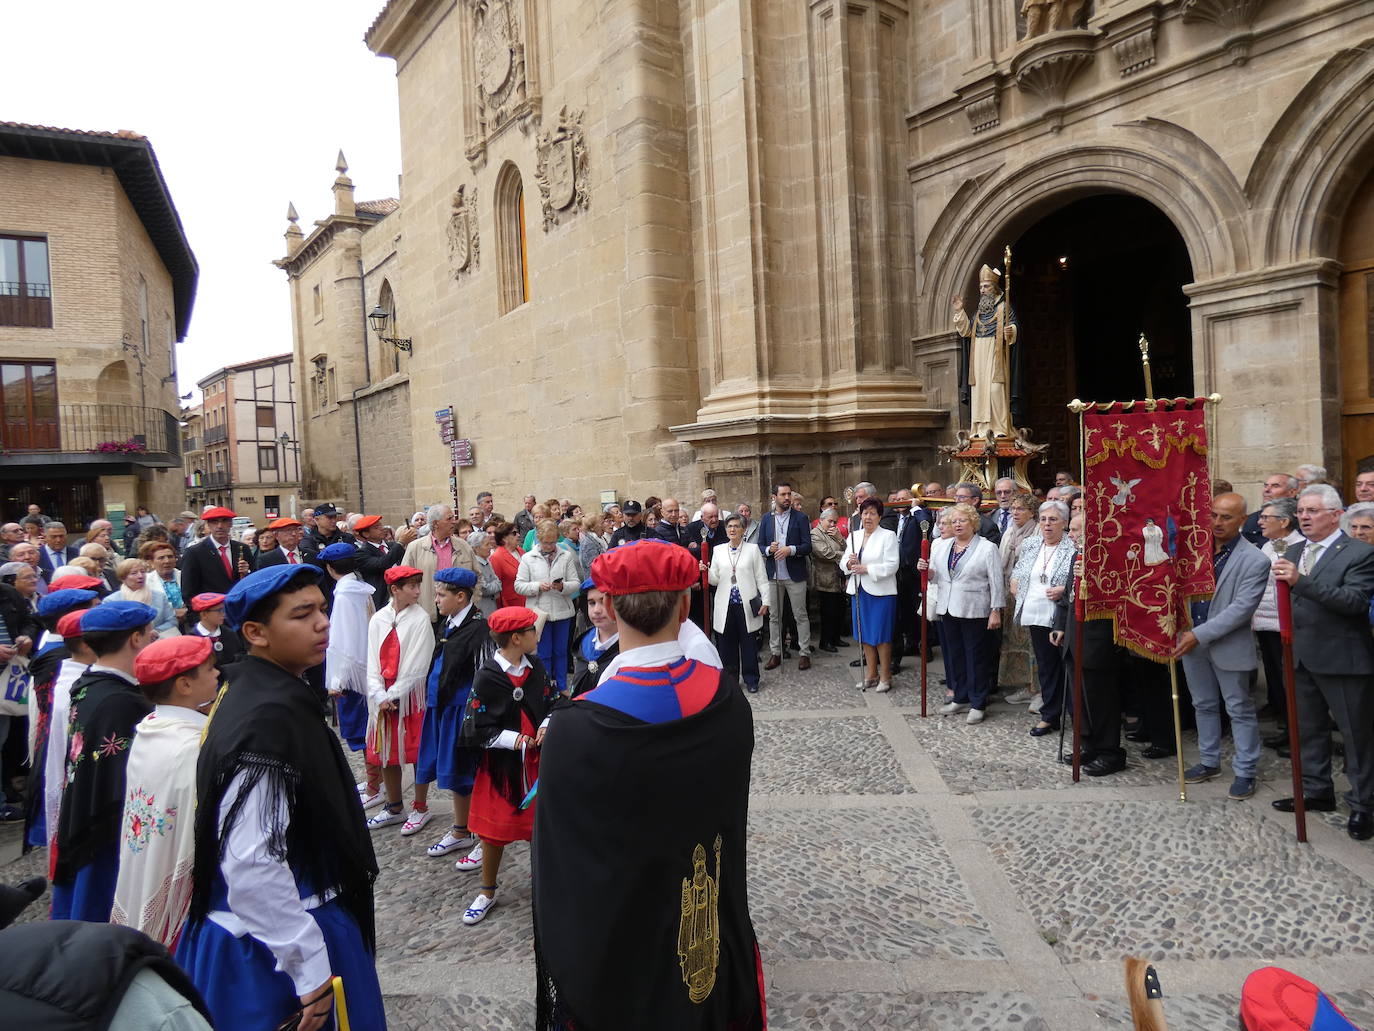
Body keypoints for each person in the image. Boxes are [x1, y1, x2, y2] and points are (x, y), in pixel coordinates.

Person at [532, 538, 764, 1031]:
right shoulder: (728, 700)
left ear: (611, 608)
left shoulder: (575, 730)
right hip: (712, 933)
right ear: (685, 606)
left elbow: (563, 863)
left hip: (621, 952)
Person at [178, 564, 384, 1031]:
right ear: (256, 633)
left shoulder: (263, 689)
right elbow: (250, 858)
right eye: (302, 614)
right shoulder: (267, 716)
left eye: (323, 610)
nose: (322, 623)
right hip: (270, 945)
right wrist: (308, 967)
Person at [1271, 484, 1374, 840]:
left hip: (1342, 658)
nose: (1304, 517)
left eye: (1312, 511)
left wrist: (1301, 581)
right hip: (1299, 655)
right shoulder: (1294, 548)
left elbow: (1353, 602)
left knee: (1356, 735)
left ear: (1335, 514)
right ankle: (1317, 791)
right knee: (1307, 730)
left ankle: (1364, 804)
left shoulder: (1358, 552)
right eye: (1301, 511)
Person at [51, 600, 158, 922]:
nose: (154, 639)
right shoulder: (119, 701)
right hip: (105, 823)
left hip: (86, 807)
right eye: (150, 633)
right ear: (136, 639)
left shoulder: (92, 684)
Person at [111, 635, 219, 948]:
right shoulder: (192, 748)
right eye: (210, 669)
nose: (217, 674)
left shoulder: (152, 726)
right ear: (184, 685)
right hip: (183, 902)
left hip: (149, 864)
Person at [1172, 493, 1271, 800]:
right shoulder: (1195, 553)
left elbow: (1241, 610)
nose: (1217, 522)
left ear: (1243, 520)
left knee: (1238, 708)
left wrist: (1197, 635)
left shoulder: (1255, 559)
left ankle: (1245, 771)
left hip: (1225, 643)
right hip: (1192, 642)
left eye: (1226, 517)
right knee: (1202, 704)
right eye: (1213, 515)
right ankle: (1209, 760)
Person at [459, 606, 553, 925]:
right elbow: (475, 726)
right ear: (516, 638)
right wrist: (513, 740)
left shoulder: (536, 666)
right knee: (494, 831)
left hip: (537, 765)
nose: (536, 636)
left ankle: (544, 884)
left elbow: (552, 701)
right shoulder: (488, 676)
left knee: (540, 828)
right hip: (503, 769)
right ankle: (487, 890)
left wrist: (546, 724)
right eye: (531, 632)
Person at [418, 567, 488, 870]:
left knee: (473, 772)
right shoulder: (449, 622)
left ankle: (486, 836)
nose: (436, 599)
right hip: (443, 706)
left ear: (461, 597)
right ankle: (462, 829)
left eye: (441, 594)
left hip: (463, 712)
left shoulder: (479, 628)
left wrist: (476, 716)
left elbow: (485, 676)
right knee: (455, 774)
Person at [364, 566, 437, 835]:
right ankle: (394, 806)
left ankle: (420, 806)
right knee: (385, 754)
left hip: (408, 699)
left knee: (416, 751)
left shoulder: (420, 619)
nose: (418, 591)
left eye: (419, 585)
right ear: (395, 589)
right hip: (382, 698)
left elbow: (419, 665)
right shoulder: (378, 619)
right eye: (412, 586)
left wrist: (394, 694)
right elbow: (371, 659)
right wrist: (378, 694)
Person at [922, 502, 1003, 722]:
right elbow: (938, 577)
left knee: (975, 656)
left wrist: (996, 610)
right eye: (953, 521)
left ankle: (978, 702)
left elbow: (997, 582)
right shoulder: (944, 546)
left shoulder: (987, 548)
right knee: (954, 655)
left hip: (975, 609)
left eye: (962, 520)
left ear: (973, 523)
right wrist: (927, 572)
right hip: (947, 607)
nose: (957, 525)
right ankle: (960, 696)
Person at [1010, 501, 1074, 736]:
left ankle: (1074, 715)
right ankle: (1050, 715)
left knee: (1066, 666)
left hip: (1060, 614)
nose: (1047, 524)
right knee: (1046, 666)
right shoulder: (1031, 544)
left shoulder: (1072, 546)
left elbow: (1077, 578)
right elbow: (1019, 570)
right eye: (1044, 519)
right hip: (1035, 611)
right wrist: (1014, 581)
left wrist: (1064, 590)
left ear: (1065, 523)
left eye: (1053, 519)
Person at [1252, 497, 1303, 741]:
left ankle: (1296, 730)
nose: (1260, 522)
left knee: (1289, 680)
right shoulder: (1268, 545)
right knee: (1274, 675)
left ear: (1284, 521)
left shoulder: (1299, 547)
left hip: (1285, 623)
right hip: (1264, 621)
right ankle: (1285, 724)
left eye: (1266, 518)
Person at [319, 543, 374, 768]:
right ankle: (375, 783)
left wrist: (337, 680)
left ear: (330, 568)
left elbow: (341, 641)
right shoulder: (361, 588)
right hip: (367, 664)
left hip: (352, 672)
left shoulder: (344, 595)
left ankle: (374, 785)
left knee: (361, 731)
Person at [953, 263, 1021, 440]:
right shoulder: (978, 313)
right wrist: (960, 312)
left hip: (996, 356)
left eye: (986, 286)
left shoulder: (1004, 308)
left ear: (995, 288)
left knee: (995, 390)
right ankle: (980, 427)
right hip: (979, 358)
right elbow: (967, 332)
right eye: (981, 287)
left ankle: (999, 426)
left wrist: (1011, 330)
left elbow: (1014, 326)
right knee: (979, 391)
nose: (982, 290)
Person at [707, 513, 769, 693]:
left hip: (746, 603)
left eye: (736, 526)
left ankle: (751, 679)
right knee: (727, 645)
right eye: (729, 526)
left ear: (743, 529)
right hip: (725, 604)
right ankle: (731, 680)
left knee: (749, 644)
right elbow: (715, 580)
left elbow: (762, 578)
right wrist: (706, 571)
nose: (732, 529)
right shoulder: (718, 550)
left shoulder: (752, 549)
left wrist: (766, 600)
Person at [516, 521, 580, 695]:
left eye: (553, 542)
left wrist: (562, 587)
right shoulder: (528, 558)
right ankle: (544, 687)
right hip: (539, 613)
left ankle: (562, 686)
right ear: (539, 539)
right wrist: (537, 586)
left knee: (560, 651)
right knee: (543, 653)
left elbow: (575, 583)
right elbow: (519, 585)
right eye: (546, 543)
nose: (550, 546)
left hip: (562, 610)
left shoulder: (565, 556)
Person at [843, 497, 900, 693]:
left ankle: (886, 675)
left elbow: (892, 565)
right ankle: (871, 674)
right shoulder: (854, 536)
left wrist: (866, 568)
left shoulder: (888, 536)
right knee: (864, 634)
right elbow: (844, 563)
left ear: (879, 516)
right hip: (859, 590)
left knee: (881, 635)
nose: (868, 517)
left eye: (872, 513)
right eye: (865, 513)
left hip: (881, 592)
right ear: (860, 515)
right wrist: (850, 564)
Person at [756, 482, 813, 672]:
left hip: (794, 573)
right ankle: (776, 652)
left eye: (789, 494)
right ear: (774, 497)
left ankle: (804, 653)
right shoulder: (766, 519)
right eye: (783, 495)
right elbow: (759, 545)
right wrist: (768, 549)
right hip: (773, 574)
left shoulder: (800, 518)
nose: (787, 498)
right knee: (774, 616)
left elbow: (807, 546)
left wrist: (791, 549)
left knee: (800, 615)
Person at [402, 503, 481, 621]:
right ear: (435, 523)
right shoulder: (415, 548)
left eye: (453, 518)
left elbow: (477, 577)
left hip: (459, 611)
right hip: (427, 612)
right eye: (449, 519)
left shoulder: (463, 546)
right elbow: (404, 579)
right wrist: (414, 606)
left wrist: (472, 601)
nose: (454, 522)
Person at [178, 507, 250, 601]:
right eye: (214, 522)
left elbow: (253, 580)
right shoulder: (194, 553)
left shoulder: (242, 548)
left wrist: (247, 572)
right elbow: (188, 592)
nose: (220, 526)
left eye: (224, 521)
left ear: (231, 524)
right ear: (208, 525)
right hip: (211, 610)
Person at [570, 577, 619, 698]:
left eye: (603, 601)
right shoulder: (585, 641)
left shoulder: (629, 645)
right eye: (592, 603)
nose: (596, 610)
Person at [810, 508, 848, 652]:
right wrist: (844, 555)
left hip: (838, 579)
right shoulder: (815, 534)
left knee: (839, 610)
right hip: (825, 579)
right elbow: (825, 553)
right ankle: (825, 642)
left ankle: (836, 638)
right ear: (821, 520)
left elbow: (847, 547)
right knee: (828, 612)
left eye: (835, 522)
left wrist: (840, 538)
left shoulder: (835, 533)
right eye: (830, 521)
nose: (833, 524)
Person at [116, 558, 180, 638]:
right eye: (134, 573)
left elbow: (172, 621)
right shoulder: (113, 601)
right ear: (123, 578)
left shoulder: (159, 596)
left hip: (159, 640)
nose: (140, 576)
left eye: (143, 572)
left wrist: (156, 631)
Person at [353, 514, 406, 608]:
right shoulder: (362, 553)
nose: (382, 529)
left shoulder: (393, 546)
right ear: (366, 534)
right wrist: (401, 543)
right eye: (376, 527)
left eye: (381, 525)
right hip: (382, 599)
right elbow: (382, 564)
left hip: (402, 594)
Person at [185, 593, 243, 674]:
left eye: (224, 610)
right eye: (219, 611)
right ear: (204, 614)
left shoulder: (229, 634)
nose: (224, 614)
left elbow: (239, 658)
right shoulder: (191, 639)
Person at [1242, 473, 1299, 545]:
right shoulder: (1253, 520)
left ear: (1292, 492)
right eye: (1266, 485)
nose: (1267, 490)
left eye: (1275, 486)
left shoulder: (1303, 518)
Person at [144, 542, 186, 629]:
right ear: (151, 562)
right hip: (161, 629)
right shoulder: (145, 582)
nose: (167, 561)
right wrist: (173, 613)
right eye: (161, 558)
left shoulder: (186, 576)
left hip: (188, 624)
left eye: (170, 557)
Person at [489, 521, 526, 608]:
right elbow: (497, 588)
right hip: (511, 605)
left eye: (517, 532)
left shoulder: (521, 551)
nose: (518, 535)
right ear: (504, 538)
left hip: (528, 599)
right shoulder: (496, 557)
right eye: (514, 533)